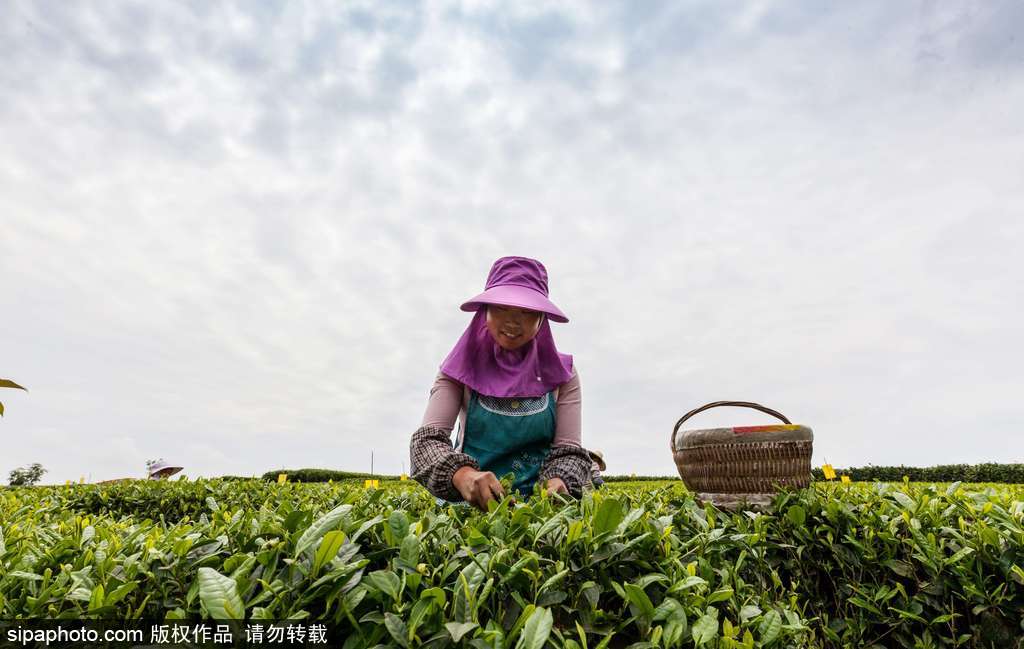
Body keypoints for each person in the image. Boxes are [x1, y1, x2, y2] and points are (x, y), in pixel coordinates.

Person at [410, 256, 592, 511]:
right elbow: (426, 443)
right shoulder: (458, 369)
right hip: (466, 510)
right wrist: (464, 476)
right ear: (485, 310)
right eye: (501, 307)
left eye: (528, 311)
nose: (513, 321)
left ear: (542, 318)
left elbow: (568, 451)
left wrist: (559, 480)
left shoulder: (564, 375)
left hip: (537, 513)